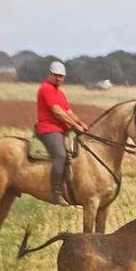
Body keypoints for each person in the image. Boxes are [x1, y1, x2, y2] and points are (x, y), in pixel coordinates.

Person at [36, 60, 88, 203]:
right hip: (48, 129)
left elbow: (68, 111)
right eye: (56, 75)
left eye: (61, 76)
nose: (59, 79)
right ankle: (56, 192)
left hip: (62, 129)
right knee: (61, 155)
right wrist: (75, 126)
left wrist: (80, 122)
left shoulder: (59, 93)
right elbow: (58, 112)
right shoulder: (46, 89)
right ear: (50, 74)